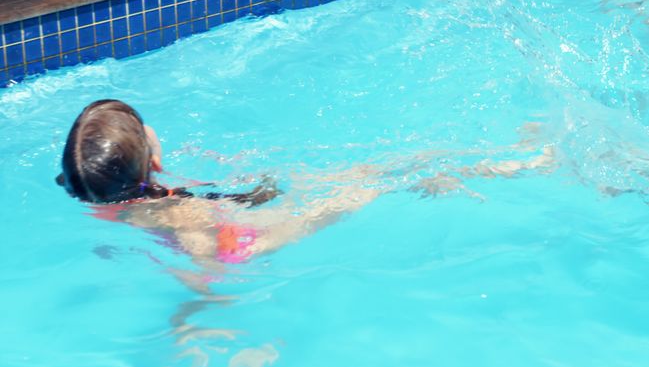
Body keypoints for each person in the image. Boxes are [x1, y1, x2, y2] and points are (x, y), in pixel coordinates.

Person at [57, 99, 554, 267]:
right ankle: (526, 161)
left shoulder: (93, 189)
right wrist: (201, 311)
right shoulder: (169, 204)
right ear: (154, 162)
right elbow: (199, 240)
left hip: (227, 232)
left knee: (382, 177)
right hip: (242, 243)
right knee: (389, 174)